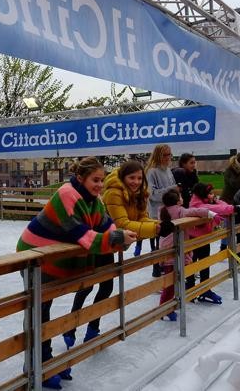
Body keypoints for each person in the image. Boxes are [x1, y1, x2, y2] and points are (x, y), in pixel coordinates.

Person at [16, 157, 136, 389]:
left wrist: (121, 235)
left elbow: (105, 225)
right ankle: (33, 364)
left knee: (45, 307)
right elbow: (82, 235)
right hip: (34, 255)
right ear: (81, 178)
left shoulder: (93, 200)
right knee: (39, 310)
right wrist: (117, 238)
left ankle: (46, 359)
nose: (100, 185)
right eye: (95, 180)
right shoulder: (66, 195)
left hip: (52, 257)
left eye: (102, 180)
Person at [63, 161, 161, 349]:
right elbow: (122, 223)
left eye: (139, 178)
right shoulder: (114, 192)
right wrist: (155, 229)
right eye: (132, 178)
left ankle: (93, 327)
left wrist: (156, 224)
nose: (136, 182)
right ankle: (70, 327)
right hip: (95, 242)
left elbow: (140, 218)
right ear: (123, 178)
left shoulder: (138, 194)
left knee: (106, 287)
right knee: (86, 287)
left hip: (109, 244)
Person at [157, 189, 210, 321]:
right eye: (180, 196)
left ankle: (169, 306)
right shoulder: (180, 211)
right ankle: (164, 308)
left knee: (172, 281)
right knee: (172, 282)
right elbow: (195, 211)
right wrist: (210, 213)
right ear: (177, 200)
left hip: (165, 247)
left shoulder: (163, 210)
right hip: (175, 248)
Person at [186, 183, 235, 304]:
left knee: (204, 263)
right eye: (210, 193)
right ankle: (190, 289)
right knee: (192, 264)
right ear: (203, 194)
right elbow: (221, 208)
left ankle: (204, 289)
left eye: (213, 193)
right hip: (193, 239)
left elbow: (223, 205)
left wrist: (217, 201)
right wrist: (230, 208)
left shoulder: (206, 201)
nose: (212, 195)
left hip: (203, 238)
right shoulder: (197, 204)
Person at [145, 143, 177, 277]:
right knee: (157, 243)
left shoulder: (168, 170)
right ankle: (156, 270)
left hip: (169, 212)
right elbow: (152, 194)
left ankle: (167, 267)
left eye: (169, 154)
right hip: (156, 213)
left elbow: (173, 187)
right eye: (165, 155)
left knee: (168, 243)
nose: (168, 157)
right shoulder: (151, 172)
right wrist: (171, 190)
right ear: (158, 155)